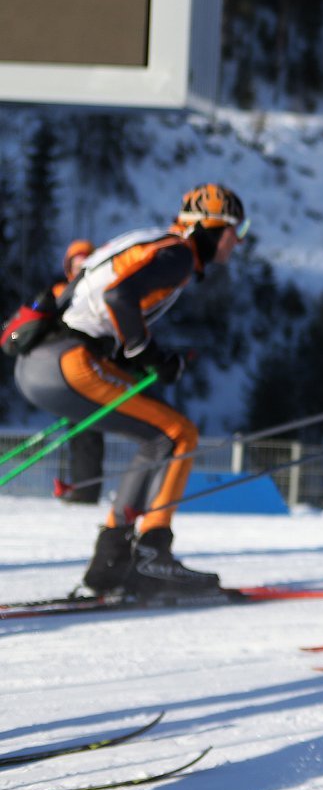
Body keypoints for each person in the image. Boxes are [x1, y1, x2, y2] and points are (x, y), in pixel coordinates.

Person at [13, 187, 249, 597]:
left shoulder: (148, 242)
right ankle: (153, 552)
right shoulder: (176, 254)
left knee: (158, 439)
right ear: (212, 227)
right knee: (180, 435)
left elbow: (96, 303)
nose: (239, 240)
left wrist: (150, 357)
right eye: (236, 229)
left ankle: (111, 563)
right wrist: (150, 355)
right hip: (69, 361)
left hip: (39, 361)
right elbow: (118, 297)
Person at [3, 239, 103, 503]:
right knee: (86, 430)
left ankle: (82, 486)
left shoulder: (60, 292)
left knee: (82, 428)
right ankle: (85, 489)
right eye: (77, 261)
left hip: (53, 369)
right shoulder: (76, 293)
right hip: (72, 366)